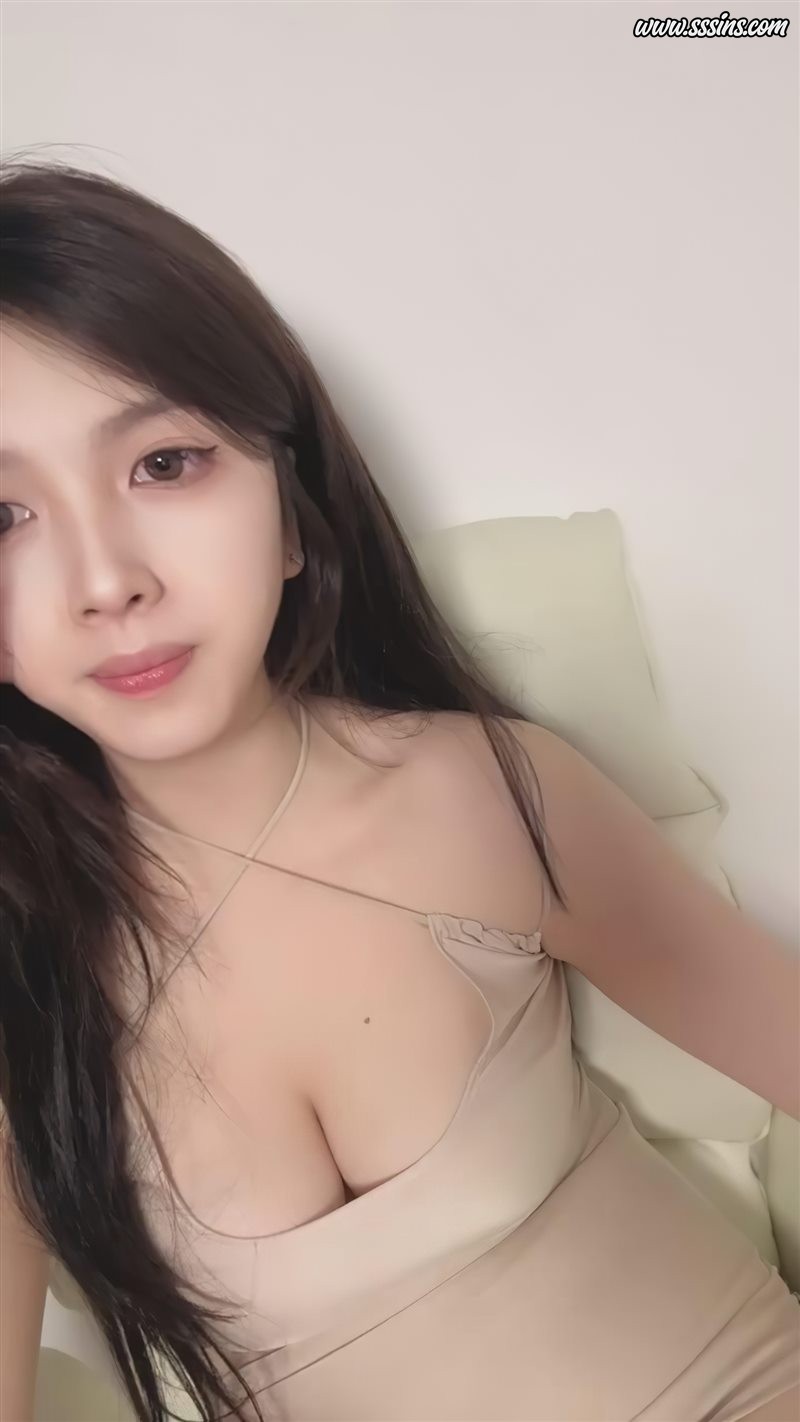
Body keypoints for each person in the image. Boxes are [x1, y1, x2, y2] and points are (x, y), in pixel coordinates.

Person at [0, 158, 798, 1422]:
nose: (107, 582)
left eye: (164, 463)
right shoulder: (22, 973)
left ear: (292, 508)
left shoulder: (481, 795)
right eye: (1, 517)